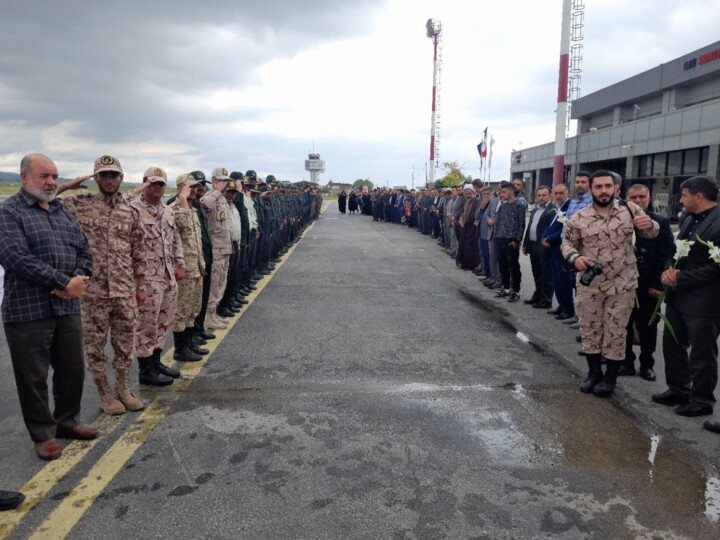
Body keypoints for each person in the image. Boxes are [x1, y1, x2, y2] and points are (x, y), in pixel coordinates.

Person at [0, 153, 97, 461]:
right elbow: (16, 257)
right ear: (24, 177)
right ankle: (43, 434)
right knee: (33, 377)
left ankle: (66, 422)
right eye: (45, 176)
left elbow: (84, 249)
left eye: (55, 176)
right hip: (28, 310)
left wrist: (78, 279)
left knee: (72, 370)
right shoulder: (8, 213)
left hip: (67, 308)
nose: (52, 182)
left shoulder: (61, 211)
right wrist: (62, 282)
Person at [57, 155, 146, 415]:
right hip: (92, 292)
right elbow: (43, 199)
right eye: (104, 175)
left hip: (124, 290)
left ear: (122, 177)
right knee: (94, 345)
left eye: (114, 175)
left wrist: (140, 287)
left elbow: (138, 251)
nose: (109, 180)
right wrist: (67, 185)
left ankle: (122, 387)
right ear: (95, 178)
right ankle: (104, 392)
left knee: (124, 342)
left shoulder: (130, 211)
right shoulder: (79, 204)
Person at [561, 170, 658, 397]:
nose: (603, 191)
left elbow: (653, 232)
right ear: (591, 190)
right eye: (598, 187)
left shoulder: (629, 210)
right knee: (590, 329)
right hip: (590, 285)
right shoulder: (579, 217)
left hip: (622, 285)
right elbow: (566, 243)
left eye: (607, 186)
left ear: (615, 188)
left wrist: (650, 225)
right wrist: (576, 258)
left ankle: (610, 379)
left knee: (616, 331)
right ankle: (594, 373)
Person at [650, 176, 720, 422]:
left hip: (704, 301)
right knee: (672, 344)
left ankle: (701, 400)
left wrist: (682, 277)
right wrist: (669, 269)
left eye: (684, 195)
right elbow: (674, 250)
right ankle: (679, 389)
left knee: (701, 352)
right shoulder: (688, 219)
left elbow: (716, 268)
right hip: (678, 297)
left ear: (698, 196)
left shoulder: (718, 222)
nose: (680, 200)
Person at [130, 167, 185, 386]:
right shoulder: (132, 210)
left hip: (168, 276)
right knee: (146, 325)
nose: (157, 188)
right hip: (147, 279)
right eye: (152, 183)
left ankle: (156, 361)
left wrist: (180, 263)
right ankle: (145, 370)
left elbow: (176, 239)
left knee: (164, 321)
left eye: (161, 184)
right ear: (144, 184)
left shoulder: (168, 211)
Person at [620, 184, 673, 381]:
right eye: (633, 197)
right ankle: (626, 362)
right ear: (627, 199)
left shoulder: (660, 221)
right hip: (623, 285)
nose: (638, 201)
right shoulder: (620, 222)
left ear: (649, 198)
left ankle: (646, 364)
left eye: (642, 197)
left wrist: (657, 285)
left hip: (648, 284)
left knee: (648, 326)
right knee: (623, 325)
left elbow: (667, 254)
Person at [169, 174, 206, 363]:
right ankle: (180, 348)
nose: (193, 190)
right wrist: (182, 199)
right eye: (189, 187)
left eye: (195, 187)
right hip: (184, 270)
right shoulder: (174, 209)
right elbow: (181, 227)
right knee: (181, 310)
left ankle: (190, 343)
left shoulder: (192, 210)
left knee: (193, 308)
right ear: (180, 188)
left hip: (197, 267)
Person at [201, 167, 233, 330]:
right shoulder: (210, 196)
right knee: (213, 284)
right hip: (216, 250)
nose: (224, 184)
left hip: (225, 248)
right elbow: (204, 205)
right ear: (213, 181)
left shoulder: (222, 199)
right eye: (220, 181)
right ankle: (207, 316)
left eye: (225, 181)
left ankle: (213, 313)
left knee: (221, 282)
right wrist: (216, 191)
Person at [542, 184, 574, 319]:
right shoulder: (557, 208)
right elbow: (550, 226)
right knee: (556, 279)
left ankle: (568, 309)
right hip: (552, 249)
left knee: (563, 281)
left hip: (561, 248)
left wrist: (549, 239)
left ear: (567, 193)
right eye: (556, 193)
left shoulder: (569, 207)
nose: (559, 196)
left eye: (561, 193)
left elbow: (564, 228)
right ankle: (561, 305)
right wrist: (544, 236)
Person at [522, 186, 556, 308]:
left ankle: (546, 300)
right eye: (539, 195)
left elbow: (553, 229)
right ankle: (537, 296)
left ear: (550, 196)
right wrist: (525, 244)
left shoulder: (553, 210)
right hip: (533, 245)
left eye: (544, 195)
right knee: (536, 273)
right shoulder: (535, 210)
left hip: (544, 246)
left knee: (546, 274)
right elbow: (530, 227)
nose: (541, 198)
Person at [494, 181, 526, 303]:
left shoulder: (520, 206)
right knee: (502, 265)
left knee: (513, 266)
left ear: (511, 192)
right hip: (500, 239)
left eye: (504, 192)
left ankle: (516, 291)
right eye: (501, 192)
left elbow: (521, 225)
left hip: (511, 240)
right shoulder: (503, 206)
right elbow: (498, 222)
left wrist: (517, 240)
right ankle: (506, 288)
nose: (501, 194)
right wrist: (497, 237)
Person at [455, 184, 481, 270]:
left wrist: (465, 222)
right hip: (465, 227)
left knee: (470, 247)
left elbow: (474, 214)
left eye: (469, 194)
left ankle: (471, 265)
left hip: (471, 228)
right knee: (464, 246)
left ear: (473, 193)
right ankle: (464, 263)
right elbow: (463, 212)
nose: (468, 195)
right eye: (466, 194)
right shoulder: (467, 201)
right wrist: (461, 220)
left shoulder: (476, 201)